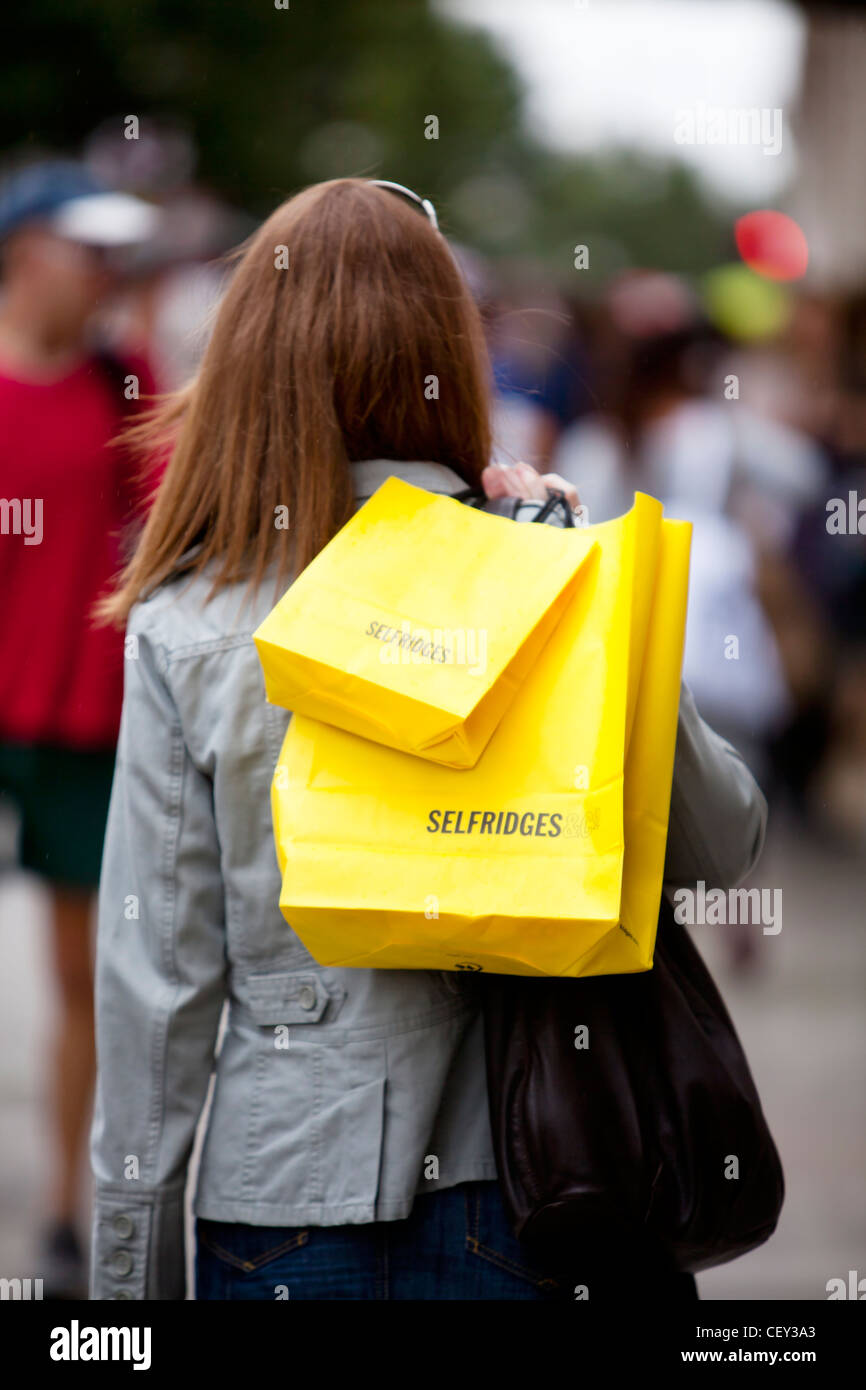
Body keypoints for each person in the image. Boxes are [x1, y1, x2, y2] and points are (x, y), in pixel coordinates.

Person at [89, 177, 767, 1301]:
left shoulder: (188, 620)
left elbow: (156, 986)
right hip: (537, 1185)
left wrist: (126, 1288)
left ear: (248, 357)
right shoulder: (545, 564)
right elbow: (720, 844)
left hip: (278, 1201)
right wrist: (585, 584)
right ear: (446, 350)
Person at [0, 160, 159, 1297]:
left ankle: (65, 1209)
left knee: (80, 974)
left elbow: (161, 536)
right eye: (85, 248)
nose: (106, 272)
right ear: (24, 253)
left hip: (81, 722)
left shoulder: (126, 379)